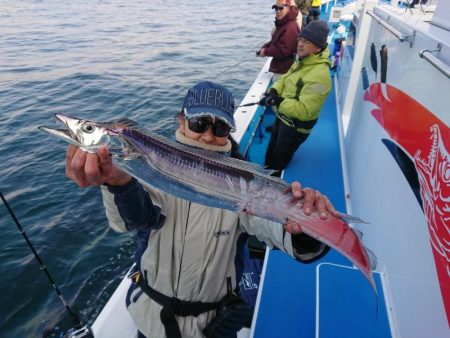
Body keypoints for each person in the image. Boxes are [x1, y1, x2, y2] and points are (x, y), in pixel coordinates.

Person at [65, 81, 337, 338]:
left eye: (219, 128)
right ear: (181, 120)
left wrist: (306, 230)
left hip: (213, 325)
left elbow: (282, 233)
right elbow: (137, 220)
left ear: (228, 132)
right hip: (152, 319)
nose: (207, 136)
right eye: (198, 123)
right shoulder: (148, 165)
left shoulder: (244, 187)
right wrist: (118, 183)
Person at [261, 20, 332, 174]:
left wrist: (278, 102)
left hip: (294, 128)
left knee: (276, 165)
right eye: (300, 39)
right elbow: (285, 79)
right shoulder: (302, 60)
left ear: (318, 47)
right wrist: (273, 91)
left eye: (307, 41)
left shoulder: (320, 76)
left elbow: (304, 111)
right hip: (283, 118)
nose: (300, 44)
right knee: (269, 155)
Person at [256, 0, 300, 80]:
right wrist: (265, 47)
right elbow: (276, 41)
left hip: (285, 70)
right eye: (276, 8)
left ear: (289, 8)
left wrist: (265, 52)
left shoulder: (290, 27)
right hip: (281, 67)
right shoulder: (283, 23)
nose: (278, 11)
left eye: (281, 8)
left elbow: (283, 51)